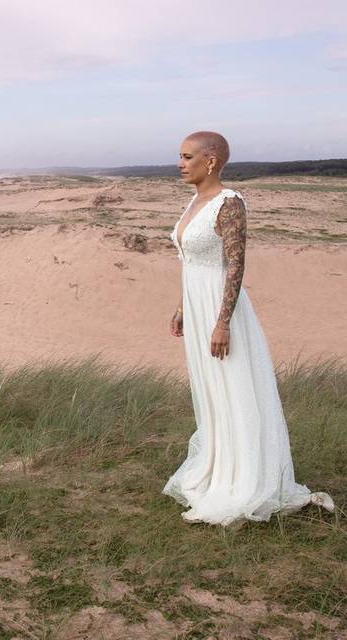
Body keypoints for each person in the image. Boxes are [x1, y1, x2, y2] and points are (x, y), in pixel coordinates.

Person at [163, 131, 334, 526]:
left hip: (224, 310)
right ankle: (220, 466)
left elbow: (235, 265)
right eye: (179, 156)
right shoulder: (194, 201)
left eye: (187, 157)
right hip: (197, 302)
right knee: (211, 391)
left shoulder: (230, 203)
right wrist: (181, 307)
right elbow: (190, 261)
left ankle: (245, 480)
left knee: (234, 386)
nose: (180, 163)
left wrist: (222, 322)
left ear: (212, 161)